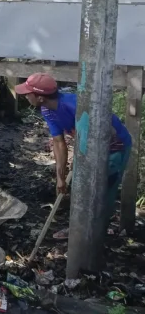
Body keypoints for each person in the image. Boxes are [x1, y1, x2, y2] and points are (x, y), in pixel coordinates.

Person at [15, 73, 132, 238]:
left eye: (28, 93)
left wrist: (88, 148)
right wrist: (60, 177)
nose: (26, 96)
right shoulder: (47, 109)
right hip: (87, 148)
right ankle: (78, 229)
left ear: (40, 97)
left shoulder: (76, 105)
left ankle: (98, 234)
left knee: (103, 191)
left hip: (114, 149)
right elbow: (58, 142)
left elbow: (110, 132)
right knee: (79, 186)